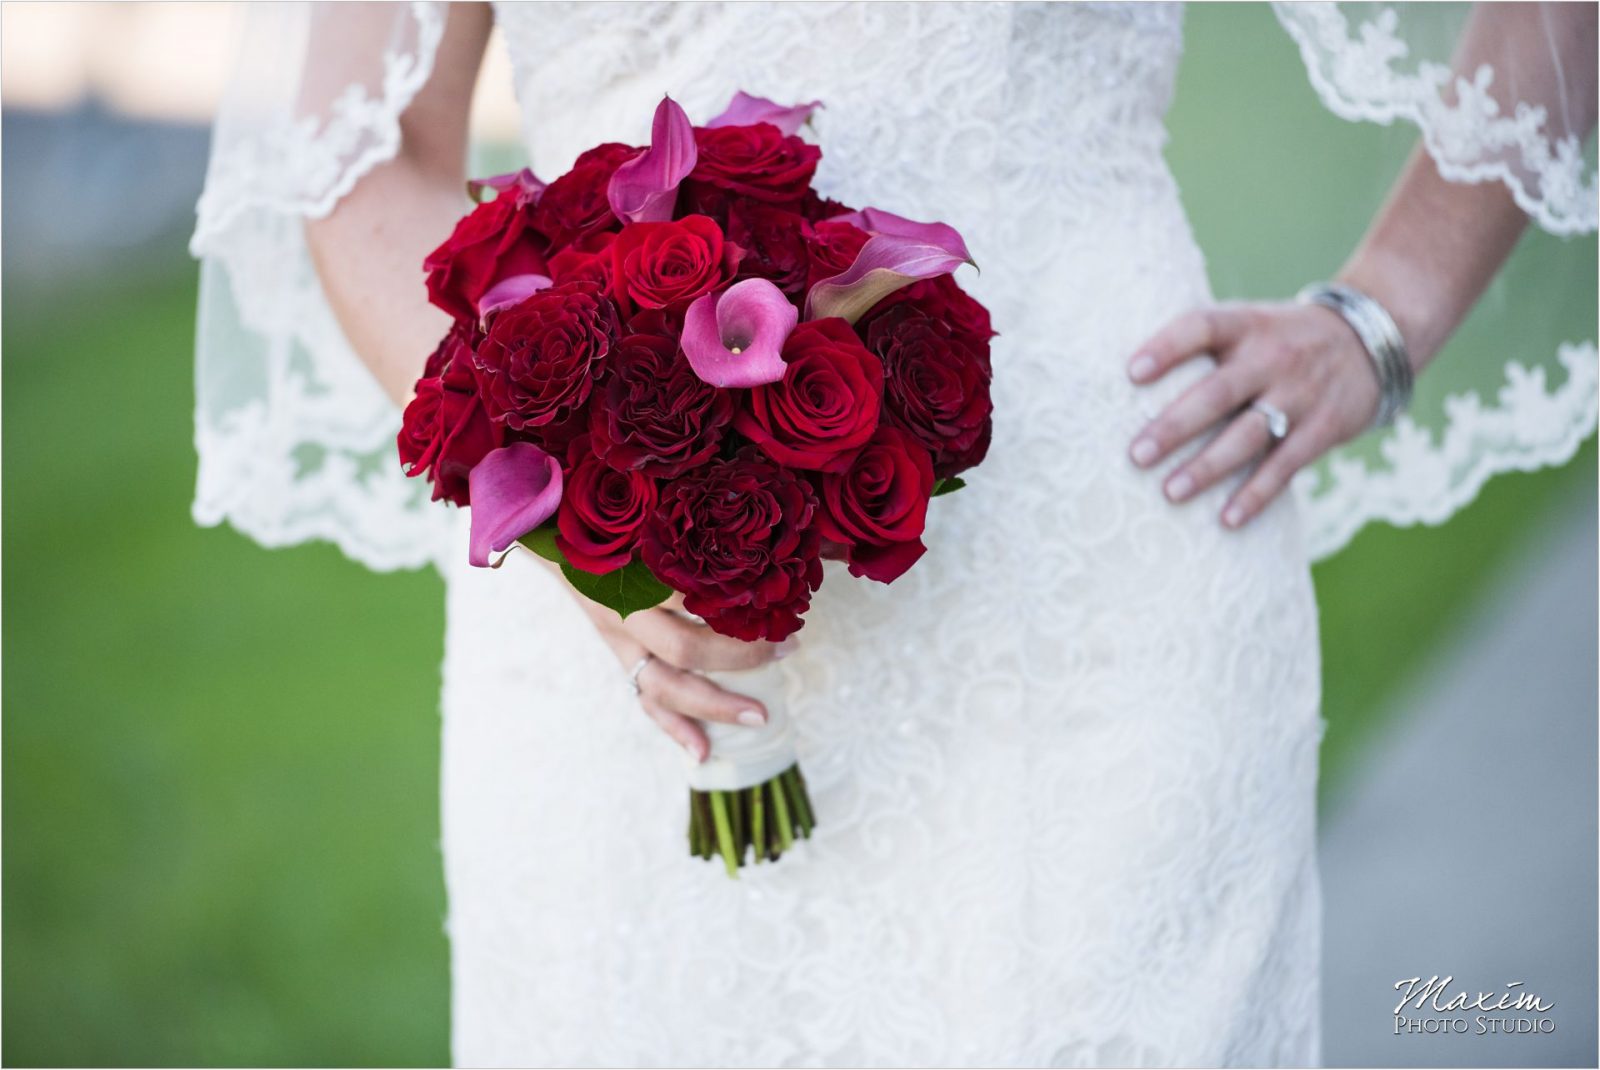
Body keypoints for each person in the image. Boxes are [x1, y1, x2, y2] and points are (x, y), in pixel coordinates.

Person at [191, 2, 1597, 1065]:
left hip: (1093, 624)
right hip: (606, 667)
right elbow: (361, 158)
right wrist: (585, 514)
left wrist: (1387, 304)